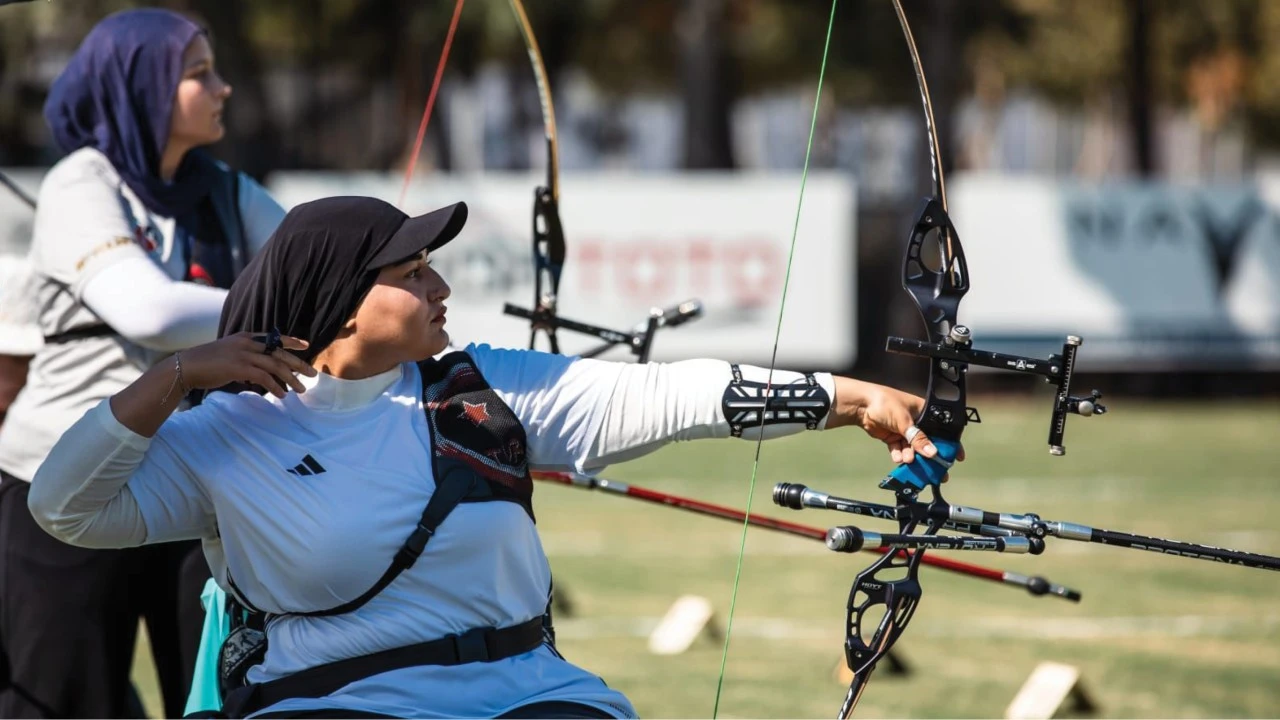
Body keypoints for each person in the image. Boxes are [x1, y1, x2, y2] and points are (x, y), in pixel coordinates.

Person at [27, 195, 954, 719]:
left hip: (528, 694)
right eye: (413, 272)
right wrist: (176, 376)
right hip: (331, 704)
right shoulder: (228, 433)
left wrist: (849, 397)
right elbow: (64, 508)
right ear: (345, 303)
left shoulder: (480, 388)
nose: (442, 285)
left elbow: (661, 395)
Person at [0, 9, 286, 717]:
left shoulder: (226, 189)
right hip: (63, 484)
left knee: (226, 698)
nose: (222, 89)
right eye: (198, 75)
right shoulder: (80, 183)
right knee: (63, 701)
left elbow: (313, 268)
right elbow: (148, 312)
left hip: (197, 489)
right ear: (141, 88)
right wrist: (278, 319)